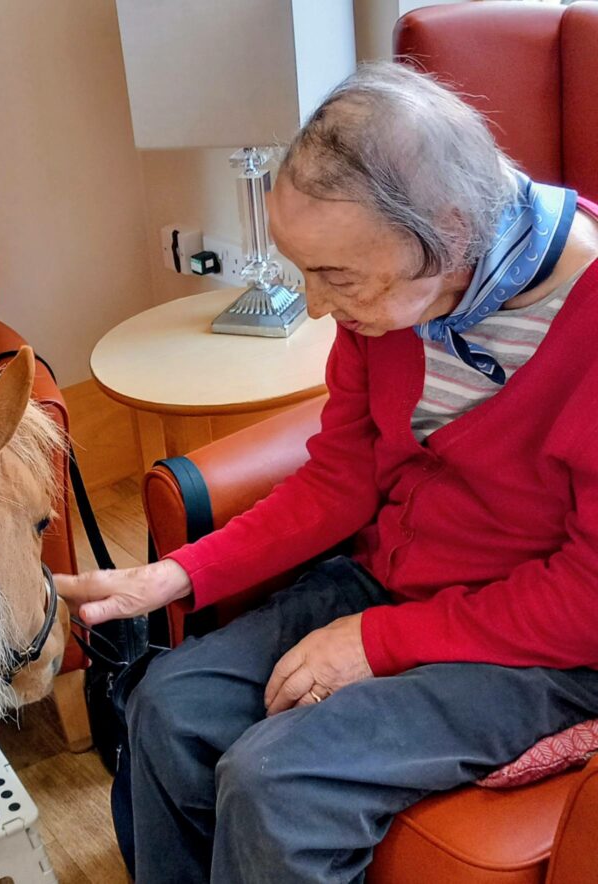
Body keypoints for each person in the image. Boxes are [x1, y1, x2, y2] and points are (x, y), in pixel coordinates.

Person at [58, 62, 598, 883]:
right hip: (394, 577)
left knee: (277, 787)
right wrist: (171, 576)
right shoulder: (397, 296)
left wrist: (379, 643)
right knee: (167, 704)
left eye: (335, 277)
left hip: (540, 646)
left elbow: (584, 603)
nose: (313, 306)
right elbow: (341, 479)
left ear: (448, 233)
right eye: (303, 269)